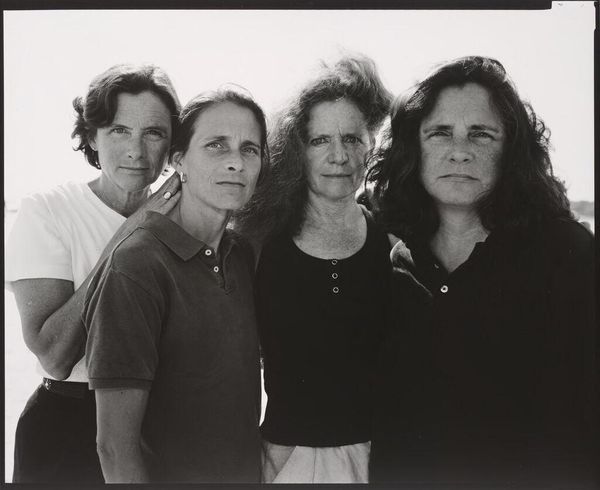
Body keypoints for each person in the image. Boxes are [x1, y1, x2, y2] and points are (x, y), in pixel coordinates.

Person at [368, 56, 596, 488]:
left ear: (510, 150)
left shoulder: (568, 255)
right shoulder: (385, 256)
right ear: (413, 147)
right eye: (440, 133)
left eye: (481, 134)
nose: (460, 151)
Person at [5, 63, 182, 484]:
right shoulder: (48, 211)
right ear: (91, 136)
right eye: (119, 130)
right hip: (68, 427)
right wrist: (134, 230)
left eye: (153, 132)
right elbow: (54, 356)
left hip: (163, 423)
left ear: (172, 144)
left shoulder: (186, 217)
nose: (136, 150)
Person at [83, 88, 268, 483]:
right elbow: (114, 448)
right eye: (216, 145)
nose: (235, 162)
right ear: (179, 160)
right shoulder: (137, 265)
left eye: (249, 149)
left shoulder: (241, 255)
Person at [236, 56, 393, 483]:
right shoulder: (257, 245)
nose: (339, 156)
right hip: (287, 462)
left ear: (371, 144)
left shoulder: (395, 243)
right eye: (320, 140)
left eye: (352, 139)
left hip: (381, 461)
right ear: (297, 150)